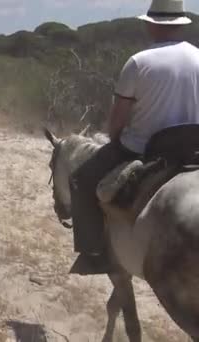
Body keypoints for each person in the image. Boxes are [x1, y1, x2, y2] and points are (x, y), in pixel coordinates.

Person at [68, 0, 199, 275]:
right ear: (181, 24)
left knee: (80, 180)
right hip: (193, 147)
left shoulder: (139, 62)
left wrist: (114, 140)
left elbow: (118, 120)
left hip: (146, 148)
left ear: (151, 25)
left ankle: (94, 253)